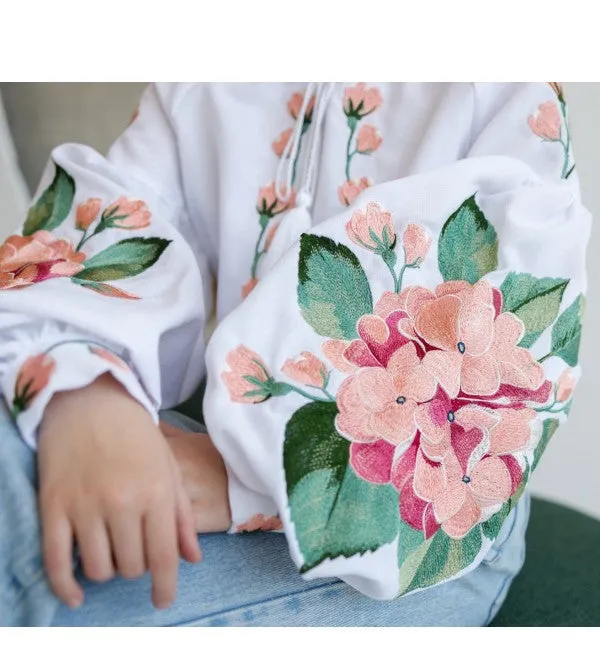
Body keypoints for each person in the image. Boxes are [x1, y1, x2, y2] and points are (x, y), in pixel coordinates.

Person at [0, 82, 590, 626]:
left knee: (69, 602)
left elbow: (516, 312)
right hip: (215, 434)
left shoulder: (497, 82)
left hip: (427, 527)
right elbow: (121, 214)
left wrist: (234, 478)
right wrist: (84, 388)